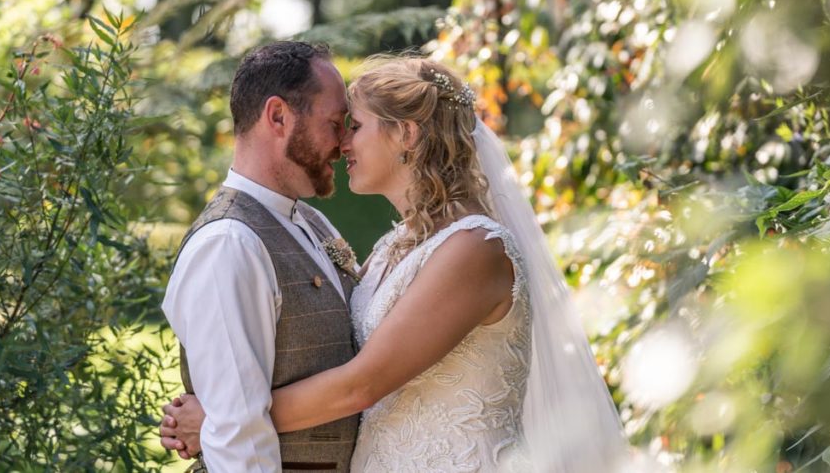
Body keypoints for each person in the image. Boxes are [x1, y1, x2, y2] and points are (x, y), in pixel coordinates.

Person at [162, 56, 628, 472]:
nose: (343, 142)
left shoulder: (474, 248)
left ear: (406, 133)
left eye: (355, 125)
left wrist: (221, 417)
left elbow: (360, 386)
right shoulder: (396, 245)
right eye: (339, 124)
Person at [161, 41, 360, 471]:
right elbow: (240, 441)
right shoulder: (230, 243)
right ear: (277, 116)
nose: (343, 144)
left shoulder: (311, 222)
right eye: (335, 123)